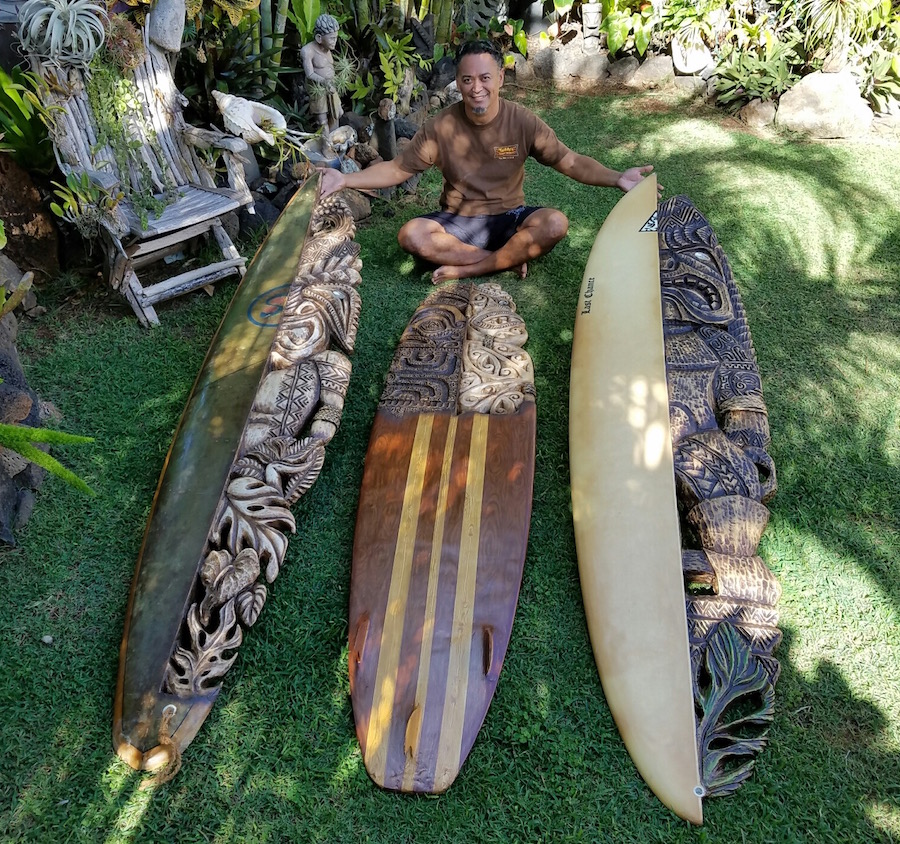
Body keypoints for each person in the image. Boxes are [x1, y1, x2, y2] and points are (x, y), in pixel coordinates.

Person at [318, 39, 661, 283]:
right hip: (458, 223)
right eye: (467, 79)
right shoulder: (441, 127)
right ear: (458, 82)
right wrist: (344, 180)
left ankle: (470, 268)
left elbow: (569, 161)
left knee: (555, 223)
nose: (476, 88)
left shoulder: (522, 122)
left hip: (509, 219)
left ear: (499, 78)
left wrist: (617, 178)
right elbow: (397, 169)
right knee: (412, 234)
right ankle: (504, 261)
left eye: (485, 78)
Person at [301, 14, 343, 133]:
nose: (335, 41)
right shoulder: (307, 51)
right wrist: (324, 82)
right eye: (332, 38)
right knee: (322, 120)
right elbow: (309, 74)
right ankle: (326, 146)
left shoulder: (328, 49)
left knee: (337, 113)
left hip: (331, 87)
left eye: (336, 37)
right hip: (318, 90)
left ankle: (335, 141)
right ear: (319, 38)